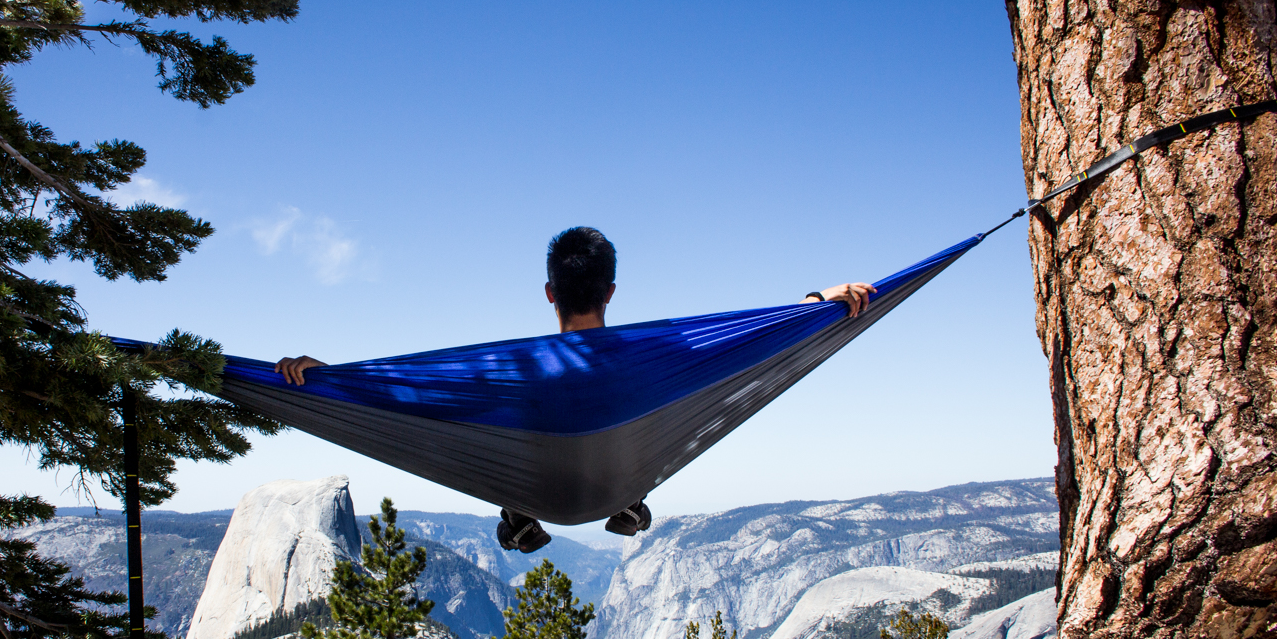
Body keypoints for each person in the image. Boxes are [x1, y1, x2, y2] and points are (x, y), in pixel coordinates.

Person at [274, 226, 877, 555]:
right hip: (615, 486)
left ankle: (518, 516)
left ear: (549, 293)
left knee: (498, 430)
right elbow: (757, 336)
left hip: (538, 490)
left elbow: (399, 391)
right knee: (660, 416)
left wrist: (326, 379)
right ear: (610, 292)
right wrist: (818, 302)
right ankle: (631, 502)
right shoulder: (658, 354)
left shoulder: (510, 369)